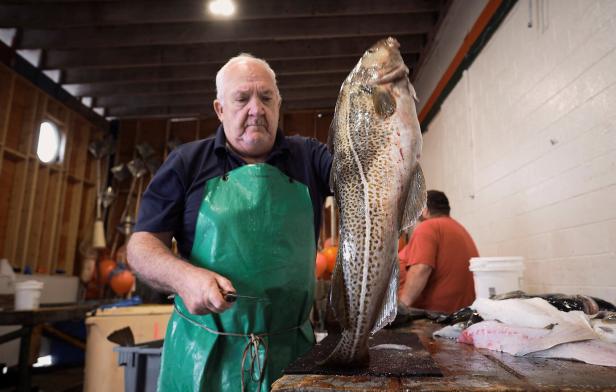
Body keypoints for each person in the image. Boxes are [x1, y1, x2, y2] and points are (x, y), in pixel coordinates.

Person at [127, 54, 332, 391]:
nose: (256, 109)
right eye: (242, 99)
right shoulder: (187, 162)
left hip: (292, 354)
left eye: (266, 98)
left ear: (278, 104)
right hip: (204, 355)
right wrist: (184, 277)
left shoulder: (309, 156)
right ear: (220, 109)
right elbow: (141, 245)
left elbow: (364, 180)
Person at [398, 190, 478, 313]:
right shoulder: (459, 229)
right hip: (460, 313)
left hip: (434, 317)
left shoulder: (427, 227)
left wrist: (401, 307)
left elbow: (421, 268)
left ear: (425, 210)